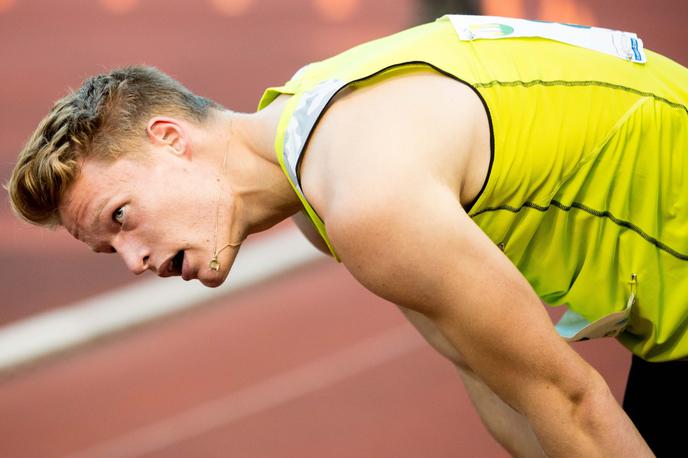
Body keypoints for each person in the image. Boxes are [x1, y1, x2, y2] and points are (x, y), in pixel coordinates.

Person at [6, 14, 687, 457]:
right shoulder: (316, 149)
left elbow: (570, 400)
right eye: (108, 248)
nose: (131, 260)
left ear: (170, 138)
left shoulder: (366, 195)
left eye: (120, 217)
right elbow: (496, 382)